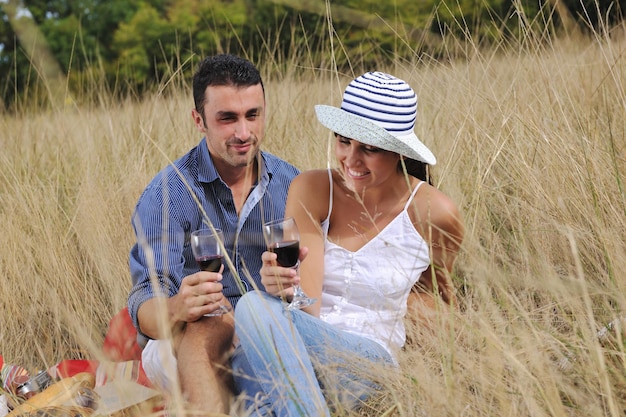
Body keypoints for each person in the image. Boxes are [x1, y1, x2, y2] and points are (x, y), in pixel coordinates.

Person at [231, 71, 465, 415]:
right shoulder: (313, 188)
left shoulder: (435, 213)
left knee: (253, 308)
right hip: (302, 344)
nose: (350, 160)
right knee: (258, 313)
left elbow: (434, 296)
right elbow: (306, 305)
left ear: (399, 152)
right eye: (343, 141)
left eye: (369, 148)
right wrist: (284, 288)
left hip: (366, 363)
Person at [127, 54, 299, 413]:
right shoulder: (168, 194)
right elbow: (144, 306)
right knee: (209, 324)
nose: (243, 133)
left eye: (253, 115)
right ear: (198, 120)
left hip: (267, 332)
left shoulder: (291, 184)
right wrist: (177, 306)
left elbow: (313, 288)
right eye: (227, 118)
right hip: (183, 340)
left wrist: (292, 288)